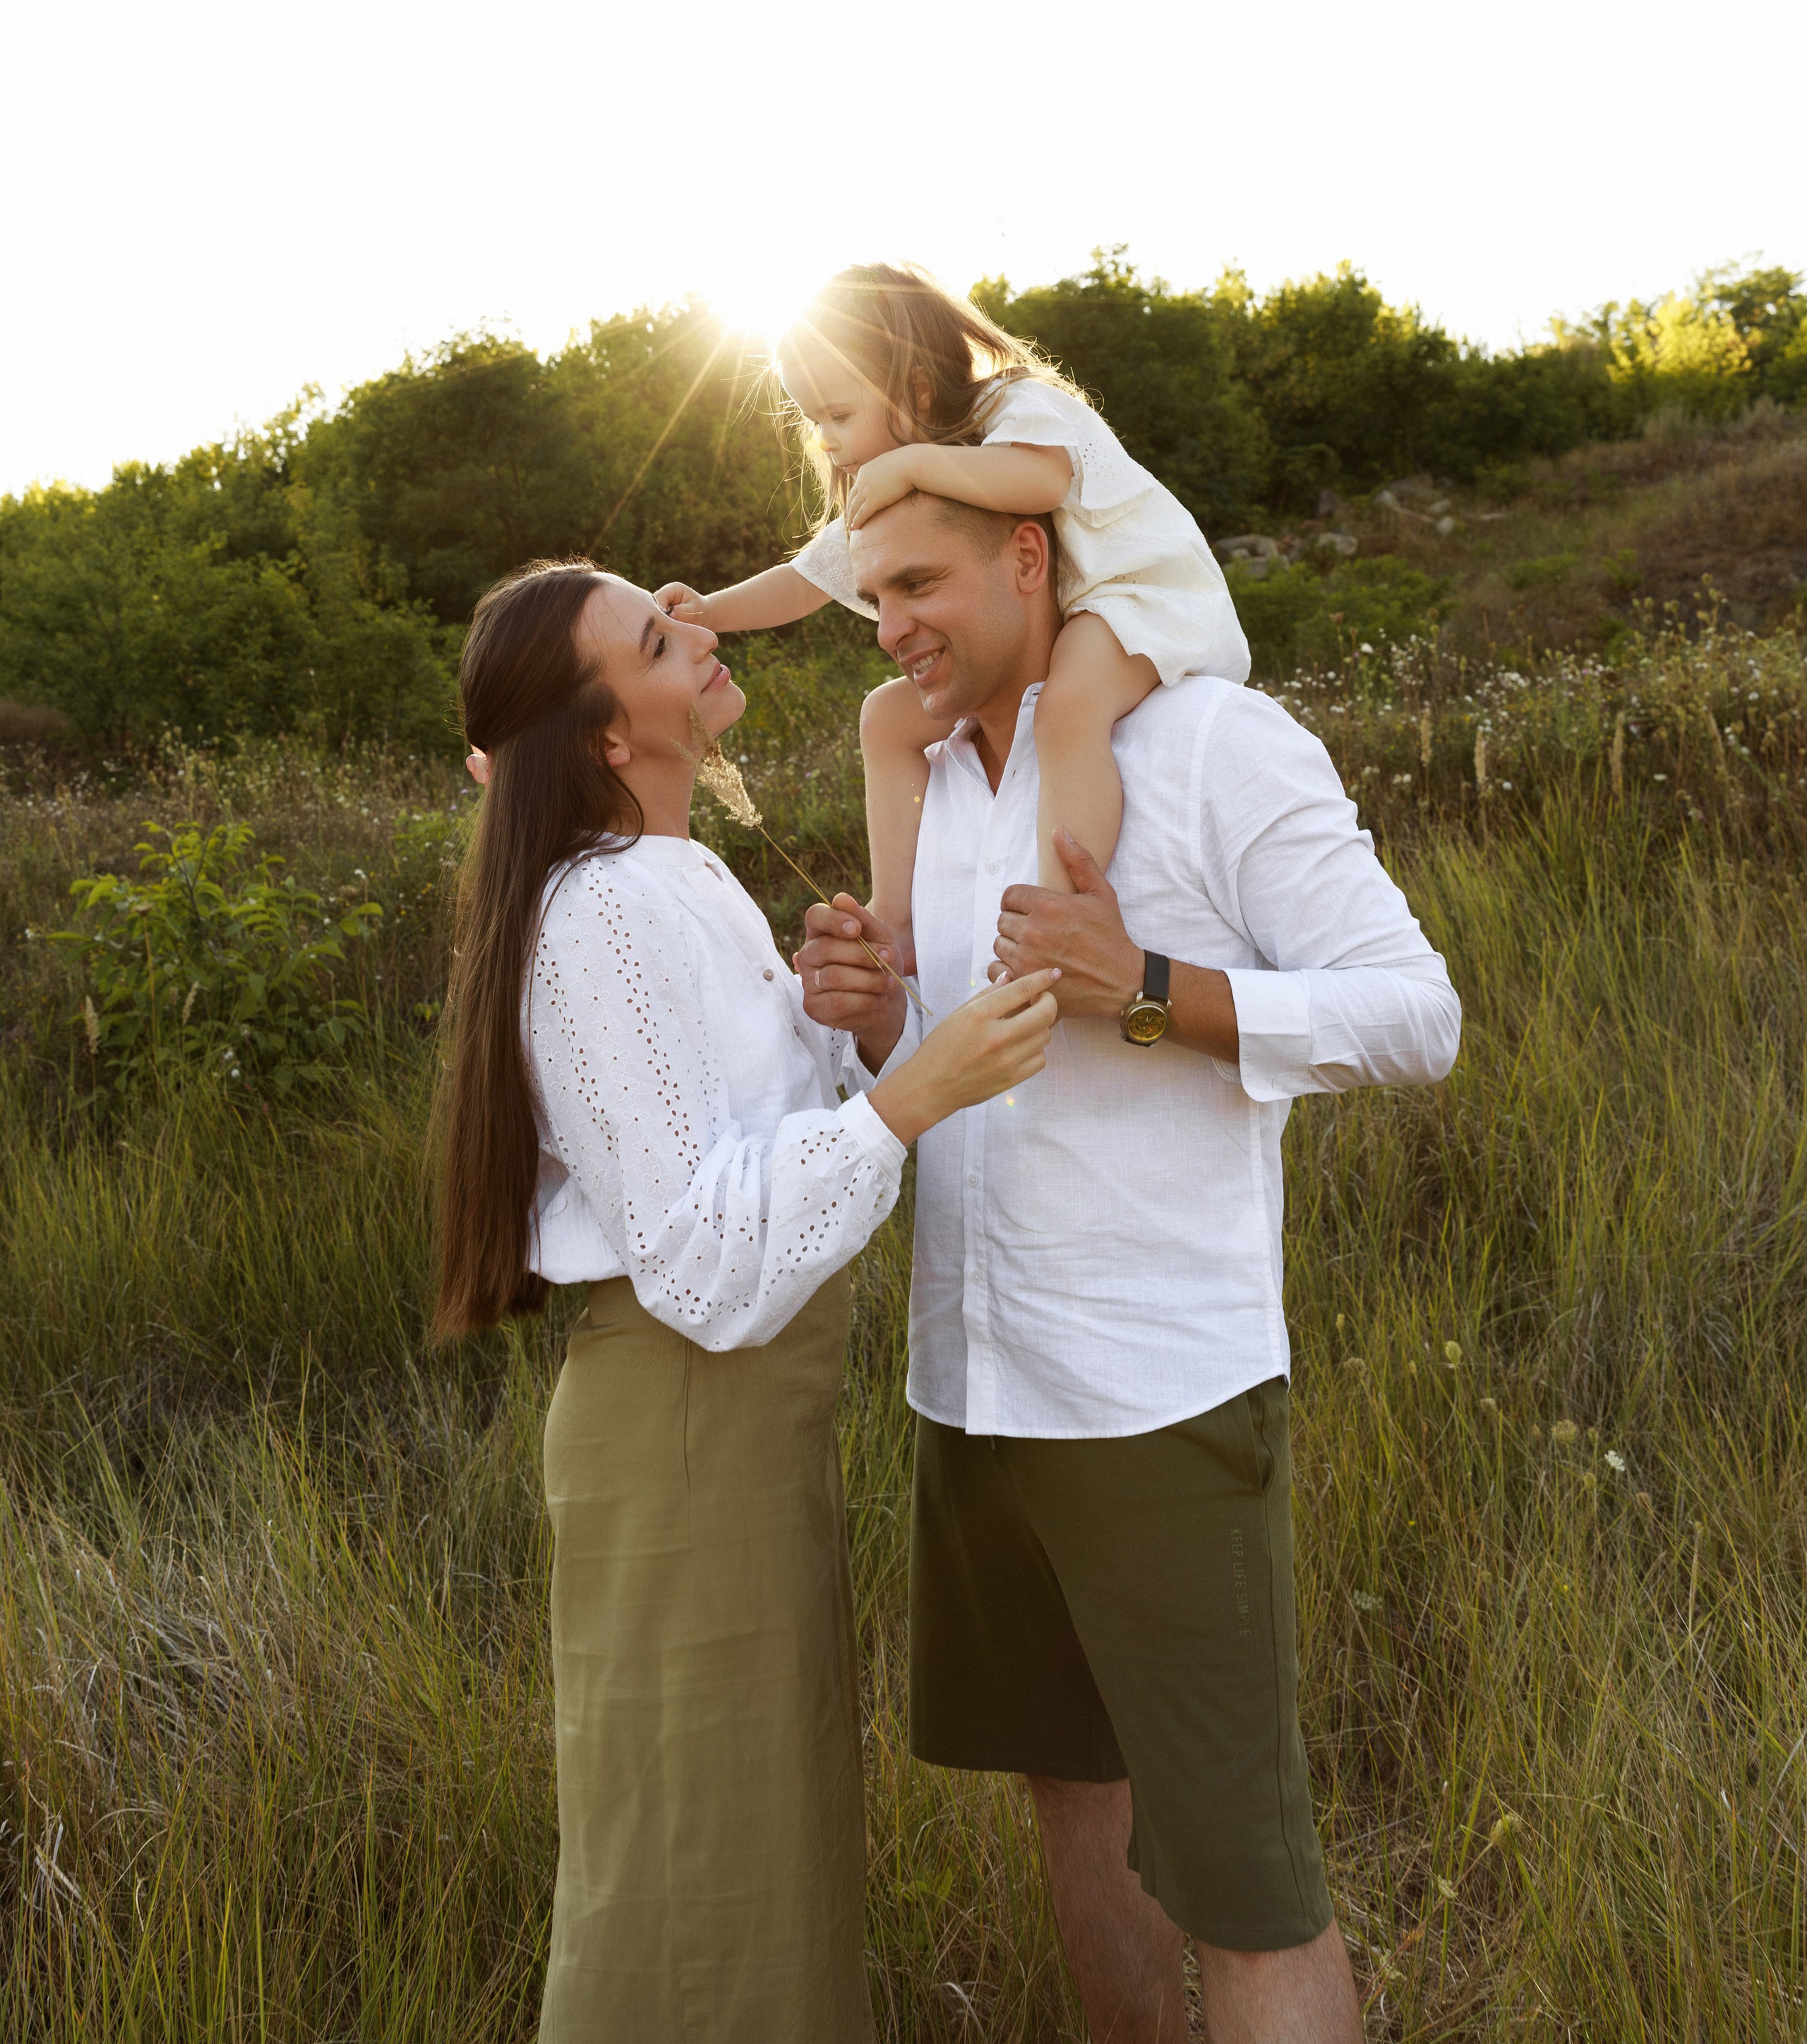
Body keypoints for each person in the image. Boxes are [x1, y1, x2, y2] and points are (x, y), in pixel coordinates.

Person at [795, 492, 1463, 2044]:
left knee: (1244, 1881)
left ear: (1027, 558)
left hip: (1153, 1394)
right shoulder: (933, 777)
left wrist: (1146, 986)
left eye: (916, 581)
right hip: (970, 1382)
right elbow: (965, 1072)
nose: (889, 624)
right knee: (1067, 1789)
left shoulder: (1212, 744)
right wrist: (872, 1023)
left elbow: (1412, 1014)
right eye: (865, 594)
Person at [431, 556, 1061, 2044]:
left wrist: (835, 1032)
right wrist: (905, 1099)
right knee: (690, 1886)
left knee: (752, 1857)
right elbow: (702, 1262)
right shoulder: (595, 913)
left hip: (730, 1427)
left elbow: (734, 1160)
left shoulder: (672, 875)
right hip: (686, 1420)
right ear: (605, 735)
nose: (697, 630)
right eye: (658, 638)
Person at [656, 262, 1247, 970]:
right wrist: (711, 608)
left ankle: (1058, 915)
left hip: (1139, 595)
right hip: (1065, 622)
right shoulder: (908, 485)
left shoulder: (1012, 404)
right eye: (811, 421)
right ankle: (897, 918)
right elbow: (807, 577)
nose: (826, 440)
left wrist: (911, 464)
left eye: (838, 414)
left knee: (1068, 707)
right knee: (886, 718)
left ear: (917, 388)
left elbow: (1042, 477)